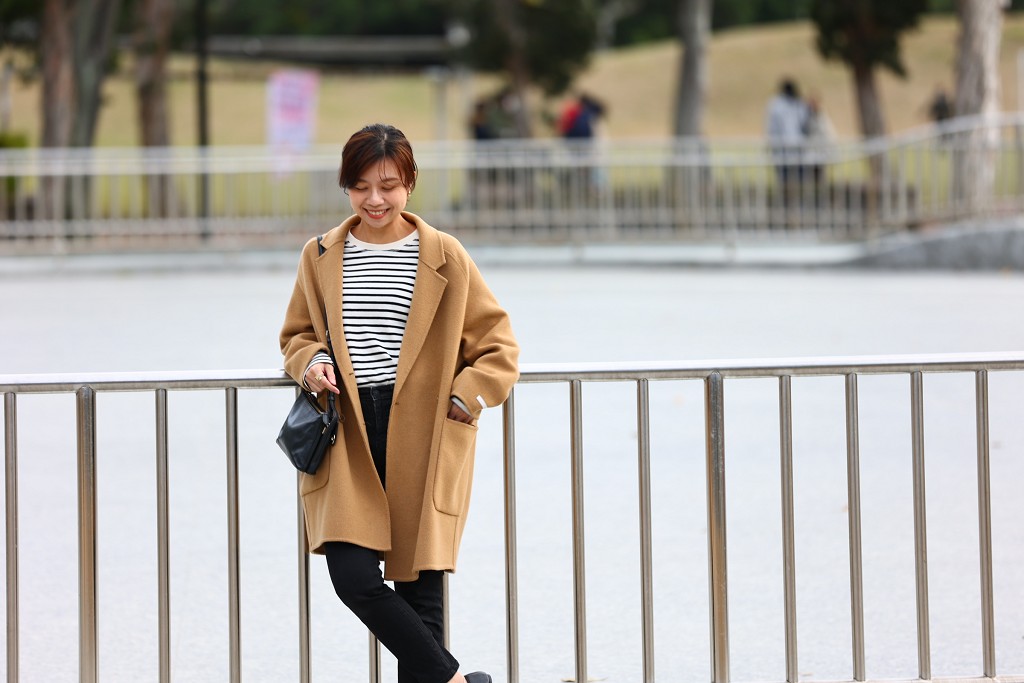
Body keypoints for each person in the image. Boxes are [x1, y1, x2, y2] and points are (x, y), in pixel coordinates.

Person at [279, 123, 519, 683]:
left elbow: (498, 346)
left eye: (388, 185)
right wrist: (310, 361)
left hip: (426, 432)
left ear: (409, 182)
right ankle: (456, 682)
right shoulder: (321, 254)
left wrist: (467, 396)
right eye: (361, 186)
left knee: (420, 594)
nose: (375, 200)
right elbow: (296, 334)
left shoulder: (445, 255)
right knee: (354, 577)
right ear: (345, 186)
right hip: (349, 433)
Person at [764, 78, 808, 191]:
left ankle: (796, 198)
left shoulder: (798, 103)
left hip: (797, 148)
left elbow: (804, 123)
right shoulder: (777, 104)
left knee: (799, 180)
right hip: (782, 148)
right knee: (785, 180)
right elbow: (772, 127)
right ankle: (786, 198)